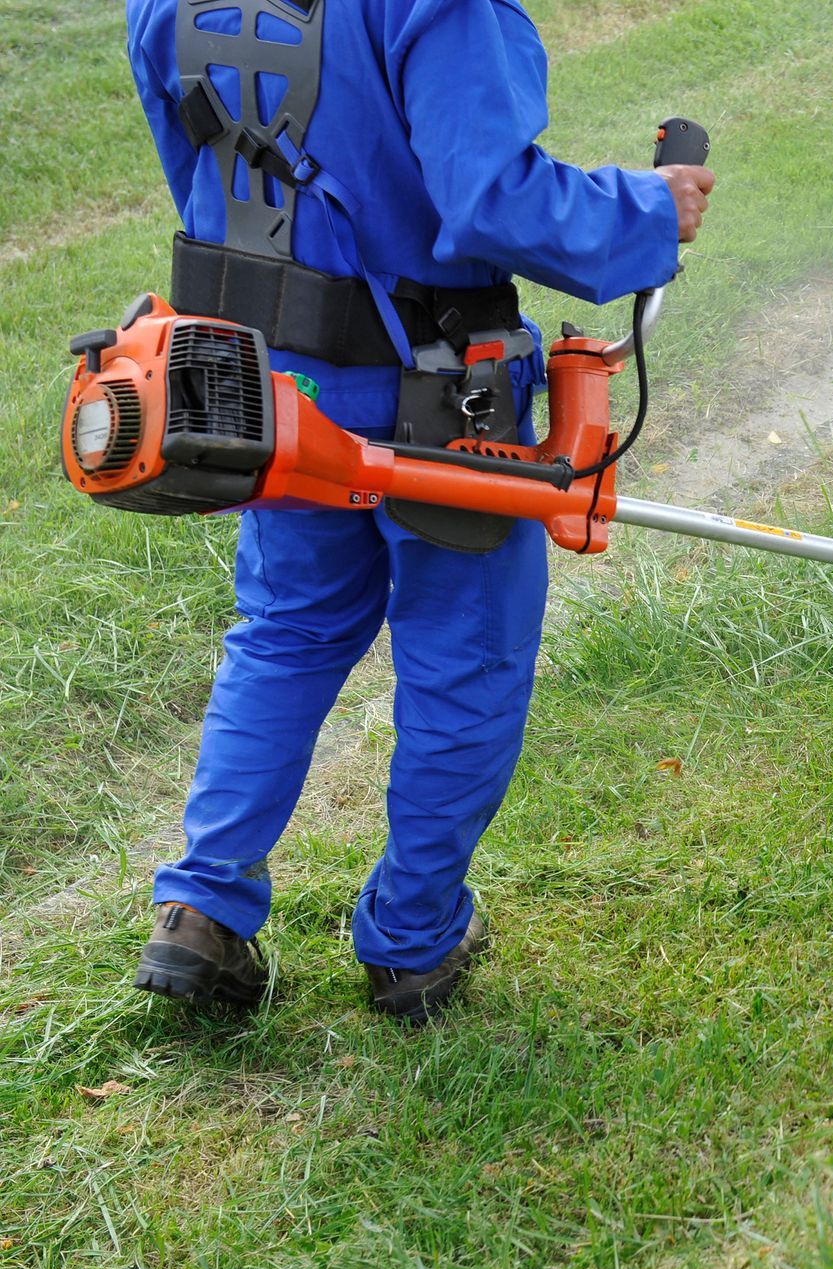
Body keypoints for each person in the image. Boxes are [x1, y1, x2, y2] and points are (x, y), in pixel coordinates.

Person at [122, 0, 714, 1020]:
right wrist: (648, 211)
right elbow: (489, 198)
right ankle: (413, 940)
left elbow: (208, 183)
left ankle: (200, 910)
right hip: (440, 395)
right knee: (461, 661)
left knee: (286, 632)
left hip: (265, 391)